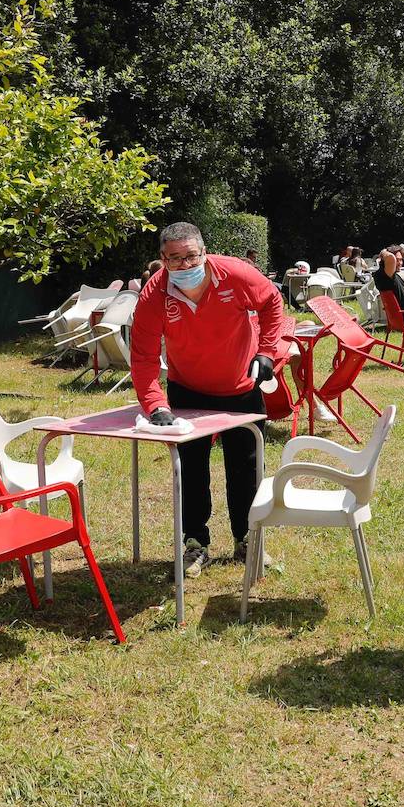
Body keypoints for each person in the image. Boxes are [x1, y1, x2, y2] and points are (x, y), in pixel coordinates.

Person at [131, 222, 285, 577]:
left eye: (191, 256)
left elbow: (272, 302)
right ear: (162, 259)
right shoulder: (155, 295)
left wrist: (267, 352)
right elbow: (143, 357)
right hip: (188, 393)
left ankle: (247, 539)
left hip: (242, 388)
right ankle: (195, 544)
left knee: (246, 468)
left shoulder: (236, 274)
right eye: (174, 259)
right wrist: (155, 404)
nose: (184, 265)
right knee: (191, 472)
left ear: (203, 252)